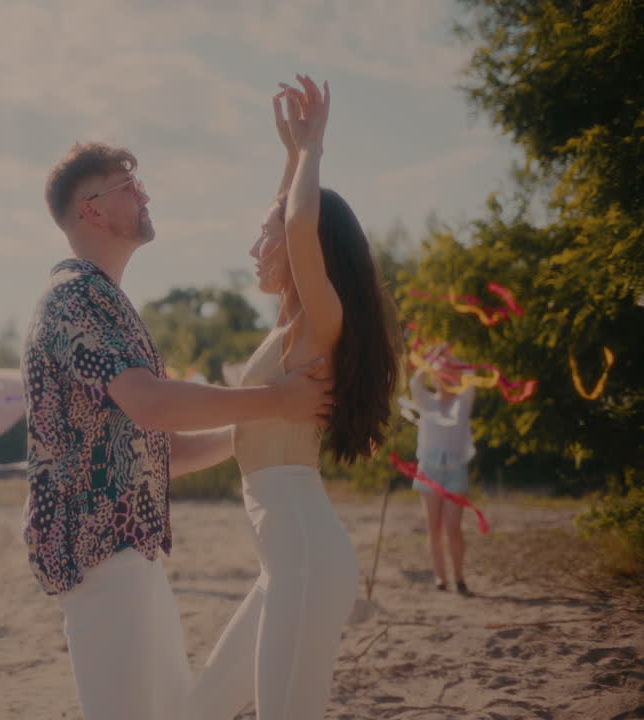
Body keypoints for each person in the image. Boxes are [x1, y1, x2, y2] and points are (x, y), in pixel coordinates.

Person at [21, 136, 335, 719]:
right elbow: (152, 405)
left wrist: (262, 426)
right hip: (99, 554)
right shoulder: (75, 297)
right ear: (91, 210)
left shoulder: (104, 299)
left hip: (126, 553)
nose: (145, 194)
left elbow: (161, 449)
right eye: (129, 186)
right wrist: (277, 401)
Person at [187, 75, 401, 720]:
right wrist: (288, 157)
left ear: (308, 251)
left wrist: (313, 148)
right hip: (288, 565)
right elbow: (291, 219)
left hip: (305, 563)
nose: (254, 249)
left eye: (265, 236)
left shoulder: (320, 326)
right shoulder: (289, 329)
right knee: (196, 709)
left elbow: (300, 222)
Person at [407, 350, 477, 595]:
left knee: (452, 528)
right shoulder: (427, 402)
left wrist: (454, 361)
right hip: (429, 471)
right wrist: (432, 358)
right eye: (440, 375)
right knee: (433, 528)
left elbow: (472, 375)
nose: (445, 380)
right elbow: (414, 383)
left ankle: (459, 577)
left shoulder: (462, 402)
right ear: (434, 378)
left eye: (449, 376)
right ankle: (440, 577)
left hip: (455, 471)